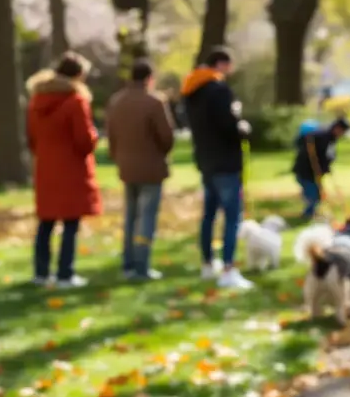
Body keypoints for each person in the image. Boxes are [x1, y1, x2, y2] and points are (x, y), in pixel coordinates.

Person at [26, 53, 102, 287]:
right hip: (71, 168)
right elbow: (83, 140)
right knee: (70, 222)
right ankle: (65, 273)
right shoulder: (75, 101)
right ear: (78, 75)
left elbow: (31, 138)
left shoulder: (37, 100)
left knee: (46, 221)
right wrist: (94, 136)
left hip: (46, 167)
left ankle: (41, 272)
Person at [182, 46, 254, 290]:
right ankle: (228, 268)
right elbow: (228, 126)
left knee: (209, 214)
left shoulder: (191, 91)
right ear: (222, 64)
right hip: (225, 160)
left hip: (205, 160)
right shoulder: (219, 91)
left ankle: (207, 263)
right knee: (232, 216)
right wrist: (242, 128)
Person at [106, 59, 175, 281]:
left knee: (130, 216)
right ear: (149, 78)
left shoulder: (117, 101)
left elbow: (111, 134)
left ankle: (128, 264)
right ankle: (142, 265)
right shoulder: (154, 102)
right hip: (151, 166)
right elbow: (166, 136)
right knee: (146, 217)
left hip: (127, 166)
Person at [292, 116, 350, 221]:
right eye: (342, 131)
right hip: (306, 172)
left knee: (317, 194)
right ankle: (307, 215)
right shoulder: (321, 136)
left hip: (313, 173)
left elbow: (327, 156)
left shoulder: (330, 138)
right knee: (313, 195)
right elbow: (313, 154)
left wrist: (326, 167)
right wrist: (323, 167)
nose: (342, 134)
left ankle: (311, 213)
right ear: (337, 128)